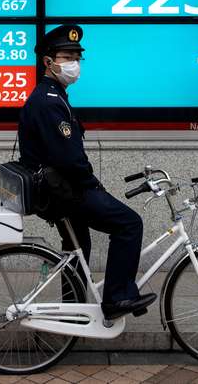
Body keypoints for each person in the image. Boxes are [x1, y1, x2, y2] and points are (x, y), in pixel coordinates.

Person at [17, 24, 156, 321]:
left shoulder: (53, 95)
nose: (74, 64)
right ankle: (117, 298)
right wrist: (94, 185)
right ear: (48, 61)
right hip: (64, 191)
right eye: (67, 57)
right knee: (129, 224)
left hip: (59, 189)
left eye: (77, 58)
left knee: (77, 247)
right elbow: (68, 158)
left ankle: (72, 312)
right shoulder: (48, 101)